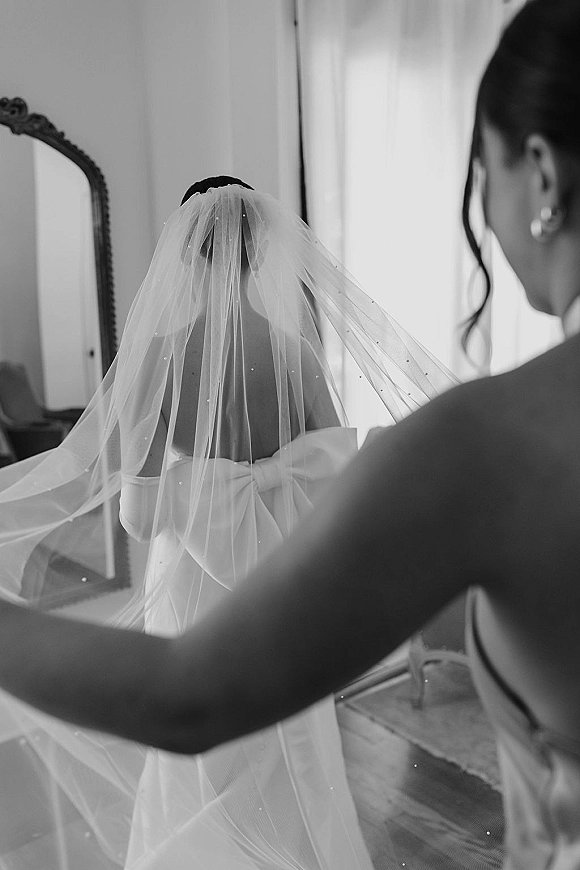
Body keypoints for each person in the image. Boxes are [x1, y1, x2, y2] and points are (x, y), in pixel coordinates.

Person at [0, 176, 455, 869]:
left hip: (192, 594)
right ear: (261, 248)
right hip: (281, 585)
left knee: (193, 746)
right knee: (288, 741)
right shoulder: (297, 354)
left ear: (185, 253)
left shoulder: (160, 356)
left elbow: (141, 518)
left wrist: (197, 492)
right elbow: (335, 487)